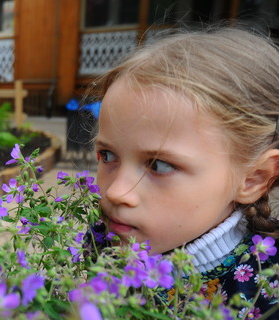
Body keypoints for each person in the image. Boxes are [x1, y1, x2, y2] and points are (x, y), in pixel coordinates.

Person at [92, 27, 279, 316]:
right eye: (108, 155)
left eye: (160, 165)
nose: (116, 192)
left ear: (253, 178)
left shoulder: (267, 296)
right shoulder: (99, 241)